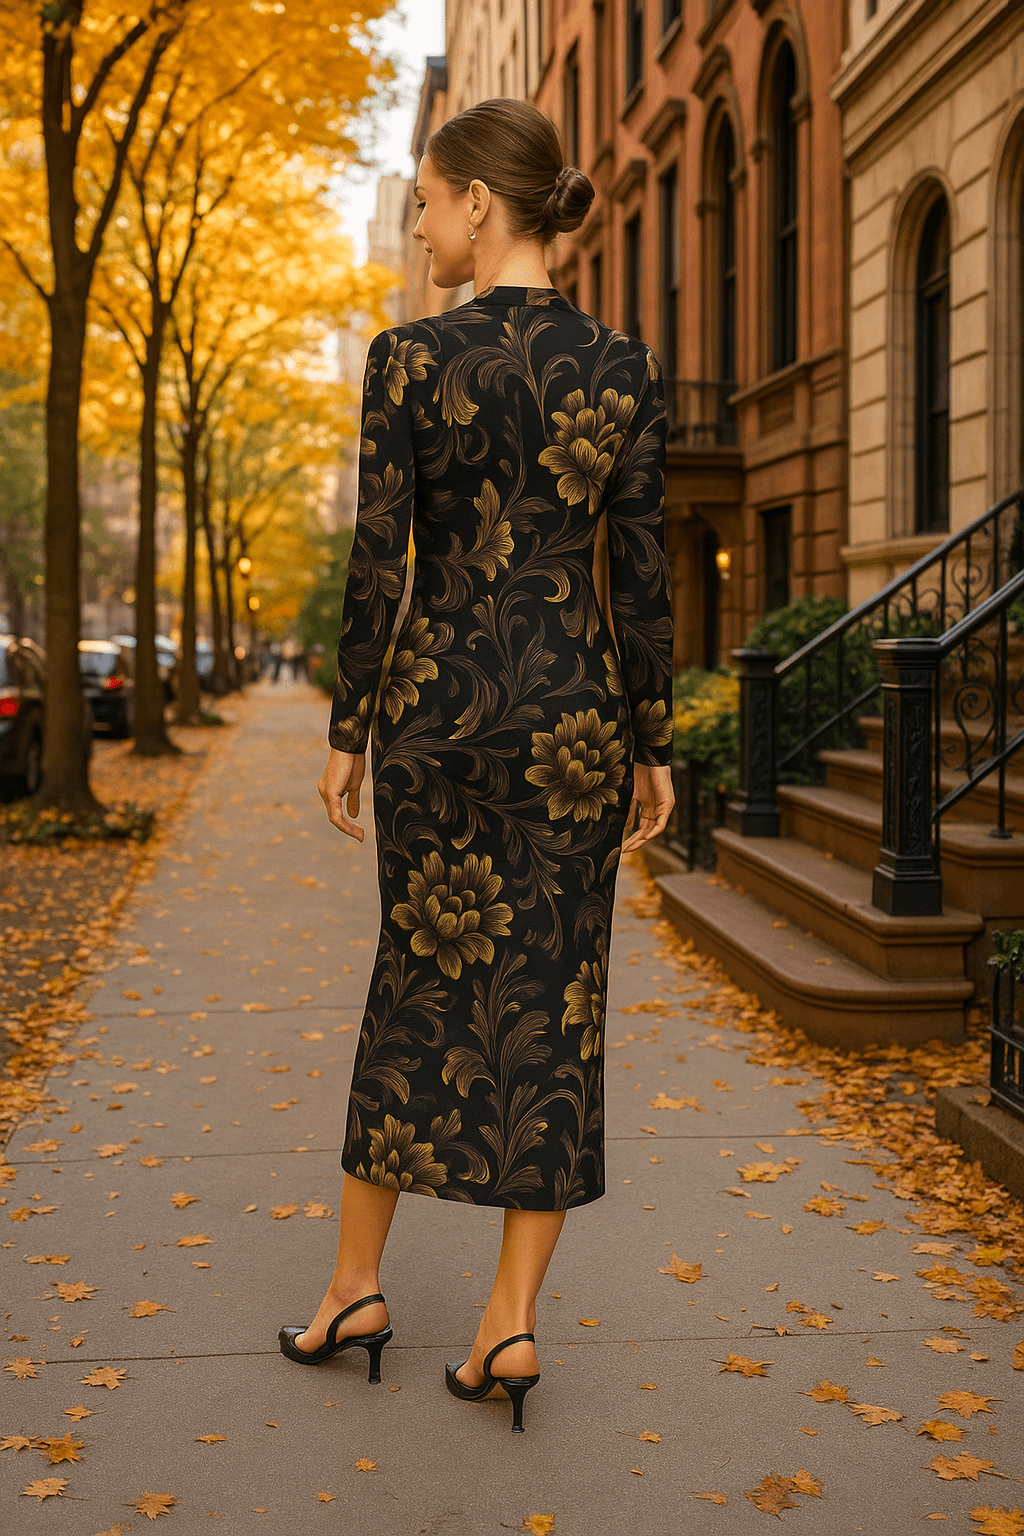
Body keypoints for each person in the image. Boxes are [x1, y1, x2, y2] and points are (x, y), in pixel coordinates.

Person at [279, 97, 675, 1434]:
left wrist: (345, 728)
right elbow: (640, 573)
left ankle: (355, 1288)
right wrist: (656, 740)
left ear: (480, 204)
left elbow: (379, 559)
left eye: (429, 203)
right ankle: (509, 1326)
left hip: (439, 718)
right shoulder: (623, 368)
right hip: (572, 723)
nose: (422, 227)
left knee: (419, 981)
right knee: (556, 1004)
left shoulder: (407, 361)